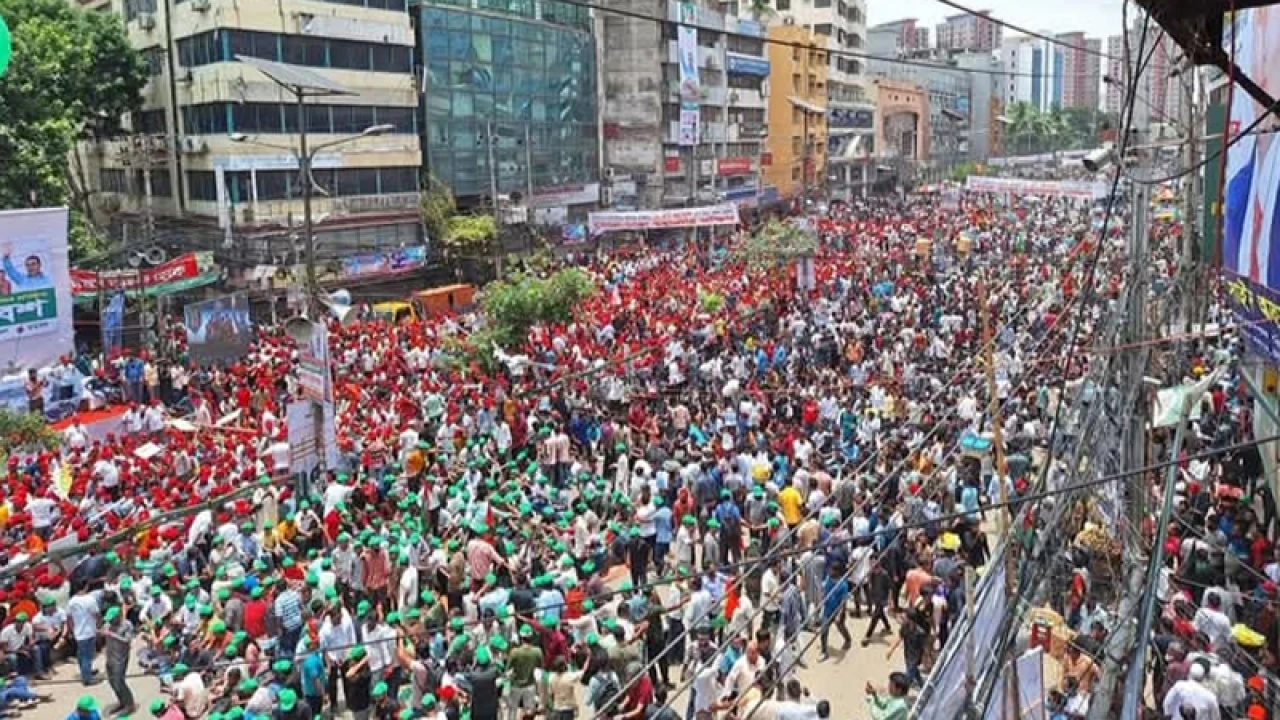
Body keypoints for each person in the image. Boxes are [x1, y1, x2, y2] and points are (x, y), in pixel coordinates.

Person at [102, 605, 137, 716]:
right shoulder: (107, 625)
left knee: (119, 682)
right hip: (110, 657)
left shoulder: (127, 625)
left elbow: (127, 640)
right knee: (112, 682)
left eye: (112, 619)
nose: (110, 621)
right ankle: (121, 701)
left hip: (120, 658)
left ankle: (129, 704)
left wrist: (112, 635)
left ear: (118, 616)